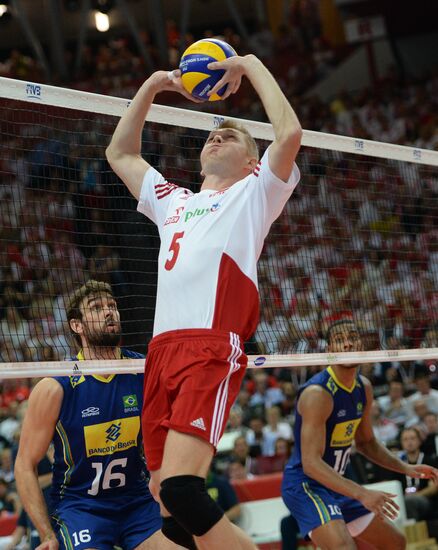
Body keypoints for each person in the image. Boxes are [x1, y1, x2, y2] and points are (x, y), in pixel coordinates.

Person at [106, 51, 302, 550]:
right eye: (212, 134)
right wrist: (152, 85)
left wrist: (250, 65)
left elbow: (289, 134)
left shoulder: (257, 192)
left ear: (252, 161)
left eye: (230, 135)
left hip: (209, 347)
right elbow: (121, 155)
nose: (216, 136)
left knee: (181, 489)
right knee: (163, 497)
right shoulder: (174, 200)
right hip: (160, 353)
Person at [14, 280, 176, 550]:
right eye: (97, 307)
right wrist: (46, 534)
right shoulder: (55, 387)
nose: (109, 311)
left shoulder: (143, 370)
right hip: (81, 508)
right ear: (77, 326)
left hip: (137, 500)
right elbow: (24, 465)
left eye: (112, 306)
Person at [281, 318, 438, 550]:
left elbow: (366, 442)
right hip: (306, 486)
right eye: (339, 340)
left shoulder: (363, 387)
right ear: (329, 350)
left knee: (395, 543)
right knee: (344, 547)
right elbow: (311, 464)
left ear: (361, 345)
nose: (347, 344)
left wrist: (405, 467)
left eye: (353, 338)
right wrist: (363, 493)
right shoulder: (318, 394)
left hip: (337, 484)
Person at [396, 427, 438, 521]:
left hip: (427, 501)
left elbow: (434, 487)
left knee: (409, 501)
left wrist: (415, 496)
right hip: (403, 501)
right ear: (401, 443)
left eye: (412, 438)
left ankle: (413, 532)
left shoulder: (430, 461)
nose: (409, 442)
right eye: (405, 439)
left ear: (419, 441)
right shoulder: (397, 464)